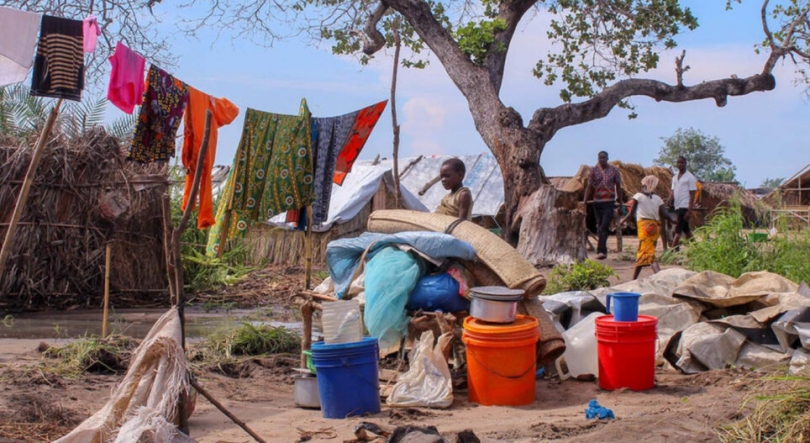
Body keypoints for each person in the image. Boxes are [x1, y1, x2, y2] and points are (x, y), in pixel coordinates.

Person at [620, 175, 666, 279]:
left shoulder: (638, 196)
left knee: (648, 254)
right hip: (655, 228)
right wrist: (674, 220)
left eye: (643, 185)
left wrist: (623, 220)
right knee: (644, 252)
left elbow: (631, 213)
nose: (642, 187)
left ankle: (660, 277)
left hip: (645, 228)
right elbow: (665, 214)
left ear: (645, 186)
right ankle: (634, 279)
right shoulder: (658, 199)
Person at [583, 151, 622, 259]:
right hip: (597, 202)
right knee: (600, 226)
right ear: (598, 159)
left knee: (604, 225)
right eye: (600, 158)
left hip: (609, 202)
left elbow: (618, 186)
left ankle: (601, 251)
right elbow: (589, 186)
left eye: (604, 158)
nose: (602, 159)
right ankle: (602, 251)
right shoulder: (594, 171)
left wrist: (620, 202)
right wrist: (585, 201)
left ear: (607, 158)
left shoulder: (614, 170)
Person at [668, 156, 698, 249]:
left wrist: (689, 210)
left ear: (685, 164)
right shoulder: (674, 178)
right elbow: (673, 191)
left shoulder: (690, 177)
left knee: (678, 231)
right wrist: (670, 199)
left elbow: (692, 194)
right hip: (677, 205)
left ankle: (672, 251)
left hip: (684, 206)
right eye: (678, 162)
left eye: (682, 163)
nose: (680, 164)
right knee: (686, 231)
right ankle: (698, 249)